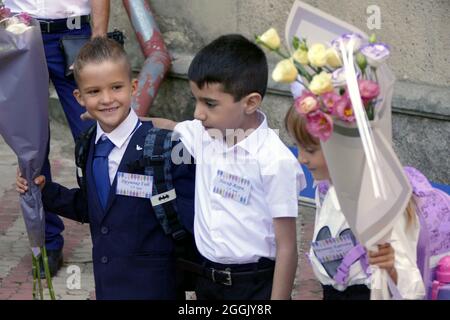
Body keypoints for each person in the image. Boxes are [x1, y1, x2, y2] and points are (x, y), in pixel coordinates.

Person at [16, 37, 196, 300]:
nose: (107, 99)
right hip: (108, 287)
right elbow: (95, 207)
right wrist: (45, 191)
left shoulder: (164, 148)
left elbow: (193, 221)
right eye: (94, 91)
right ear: (78, 97)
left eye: (116, 87)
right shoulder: (87, 145)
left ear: (133, 87)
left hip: (156, 287)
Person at [154, 34, 306, 300]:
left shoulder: (274, 160)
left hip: (253, 286)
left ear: (250, 102)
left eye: (209, 103)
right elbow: (167, 125)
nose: (197, 113)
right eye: (196, 100)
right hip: (207, 279)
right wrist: (119, 119)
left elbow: (286, 248)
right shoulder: (205, 134)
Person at [5, 0, 110, 278]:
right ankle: (46, 241)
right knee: (30, 145)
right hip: (18, 32)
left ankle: (111, 233)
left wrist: (98, 37)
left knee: (95, 137)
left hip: (74, 35)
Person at [284, 106, 425, 300]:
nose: (301, 158)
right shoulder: (325, 190)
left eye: (310, 150)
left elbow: (413, 288)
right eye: (297, 146)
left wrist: (391, 267)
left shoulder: (381, 201)